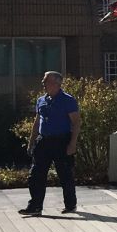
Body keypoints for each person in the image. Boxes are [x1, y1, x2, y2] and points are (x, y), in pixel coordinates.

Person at [22, 71, 80, 217]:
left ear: (56, 84)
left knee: (65, 174)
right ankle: (35, 206)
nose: (43, 83)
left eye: (45, 81)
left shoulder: (68, 100)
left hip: (61, 140)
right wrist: (31, 142)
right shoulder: (41, 100)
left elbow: (77, 122)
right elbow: (37, 122)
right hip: (44, 141)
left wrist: (72, 144)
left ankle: (70, 205)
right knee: (36, 174)